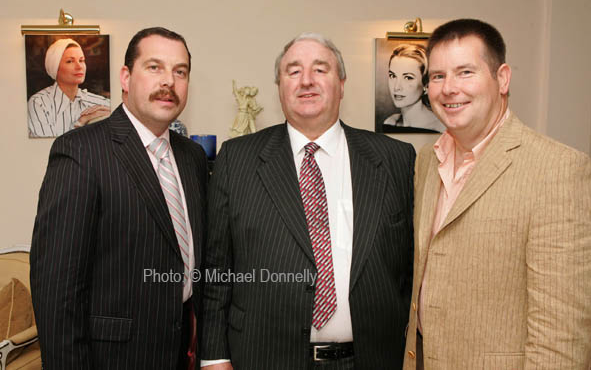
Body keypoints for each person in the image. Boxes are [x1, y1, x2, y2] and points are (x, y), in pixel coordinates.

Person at [201, 33, 415, 370]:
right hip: (264, 358)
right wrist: (214, 357)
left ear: (341, 83)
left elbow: (409, 268)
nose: (306, 81)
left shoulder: (395, 159)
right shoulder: (237, 158)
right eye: (293, 71)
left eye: (320, 69)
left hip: (373, 357)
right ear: (279, 86)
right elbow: (217, 268)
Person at [402, 19, 591, 369]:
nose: (449, 88)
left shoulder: (557, 170)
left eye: (465, 72)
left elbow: (564, 336)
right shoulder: (426, 162)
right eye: (437, 76)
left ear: (502, 78)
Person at [30, 27, 207, 370]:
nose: (168, 81)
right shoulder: (80, 153)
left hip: (182, 353)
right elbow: (57, 294)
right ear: (126, 77)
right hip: (113, 359)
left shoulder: (193, 157)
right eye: (154, 67)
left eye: (180, 71)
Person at [27, 38, 111, 137]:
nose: (79, 66)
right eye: (70, 61)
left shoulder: (102, 104)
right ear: (55, 68)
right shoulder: (39, 103)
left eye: (81, 60)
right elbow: (47, 148)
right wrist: (81, 122)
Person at [382, 43, 444, 134]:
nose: (396, 87)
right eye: (393, 76)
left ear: (426, 85)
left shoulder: (440, 127)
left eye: (408, 78)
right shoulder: (390, 122)